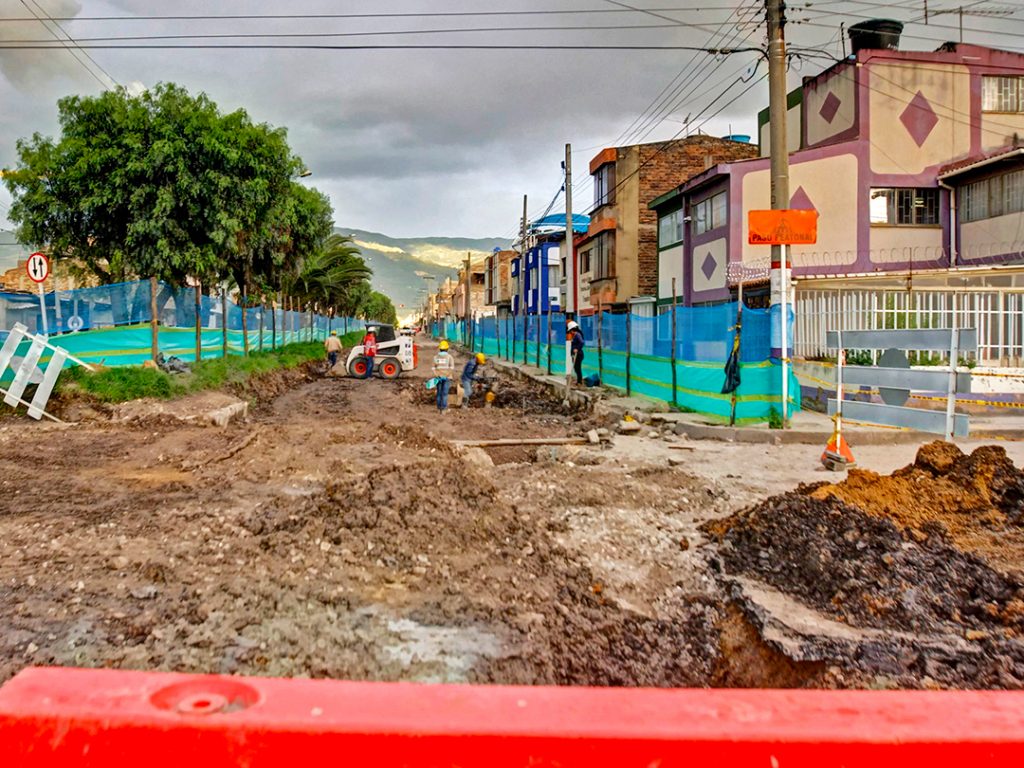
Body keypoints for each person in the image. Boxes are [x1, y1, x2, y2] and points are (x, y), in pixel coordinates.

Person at [432, 339, 455, 414]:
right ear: (447, 349)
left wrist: (437, 375)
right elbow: (451, 368)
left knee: (439, 393)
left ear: (440, 348)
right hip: (447, 378)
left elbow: (433, 368)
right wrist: (446, 375)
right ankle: (444, 410)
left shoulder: (435, 357)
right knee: (444, 394)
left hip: (438, 378)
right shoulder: (449, 357)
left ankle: (439, 409)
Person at [567, 320, 585, 385]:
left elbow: (582, 342)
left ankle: (579, 381)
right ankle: (578, 380)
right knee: (576, 368)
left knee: (578, 368)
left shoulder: (577, 335)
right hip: (574, 355)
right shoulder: (574, 336)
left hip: (578, 355)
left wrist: (577, 349)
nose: (570, 332)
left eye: (571, 331)